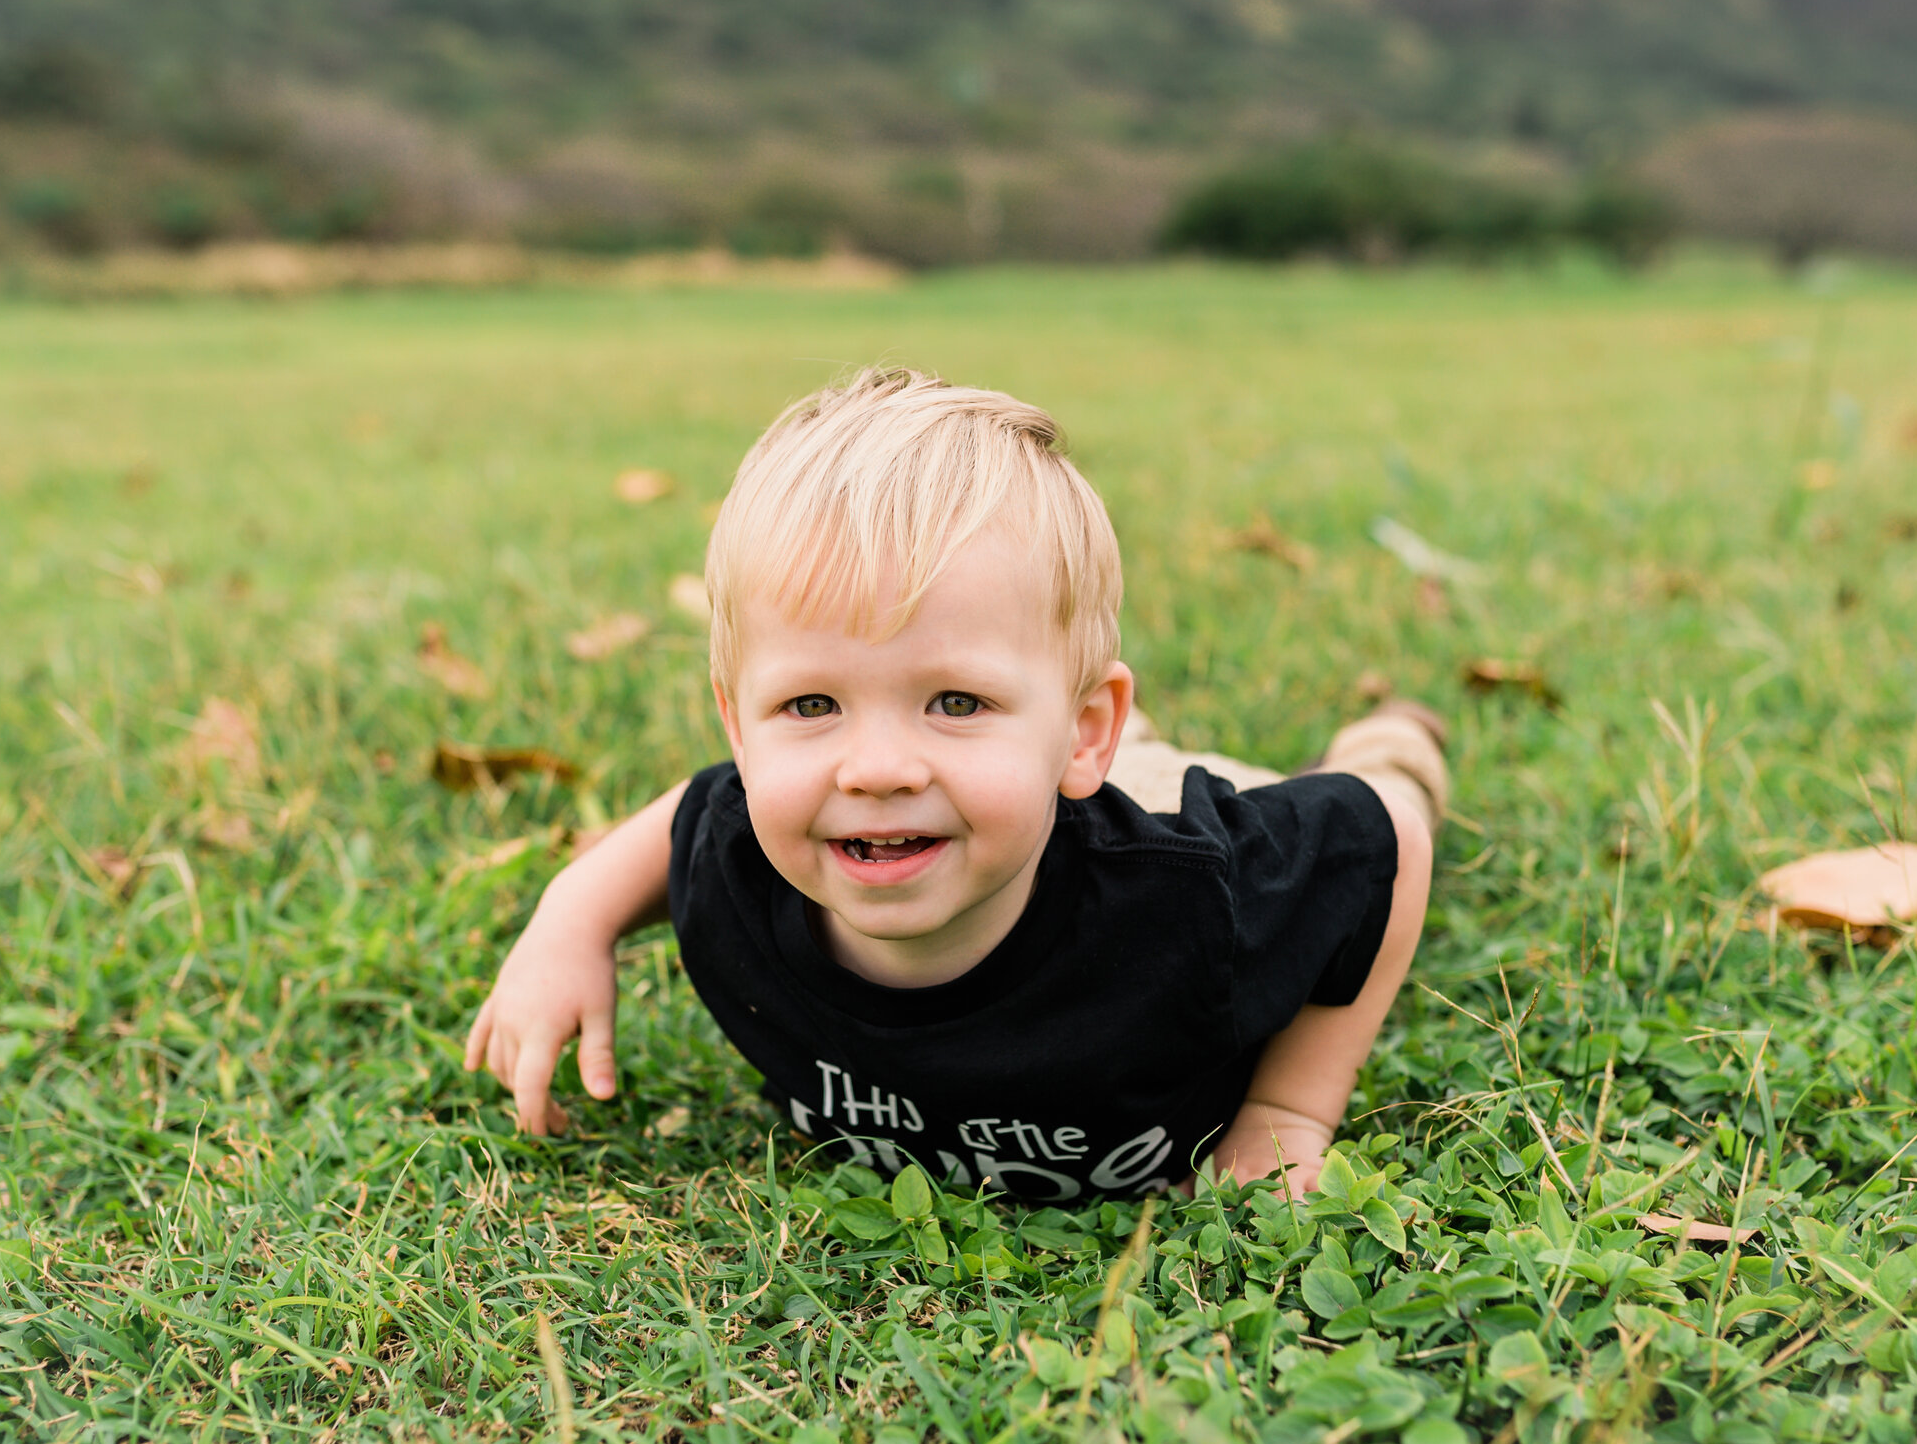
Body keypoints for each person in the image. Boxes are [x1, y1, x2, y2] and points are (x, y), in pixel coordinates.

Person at [465, 369, 1446, 1199]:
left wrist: (1285, 1111)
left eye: (952, 699)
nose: (878, 767)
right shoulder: (744, 861)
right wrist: (571, 922)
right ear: (736, 721)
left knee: (1380, 773)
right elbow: (692, 815)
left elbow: (1387, 837)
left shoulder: (1192, 896)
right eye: (811, 705)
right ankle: (1014, 711)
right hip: (1027, 786)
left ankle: (1391, 728)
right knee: (1003, 744)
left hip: (1139, 805)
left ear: (1081, 734)